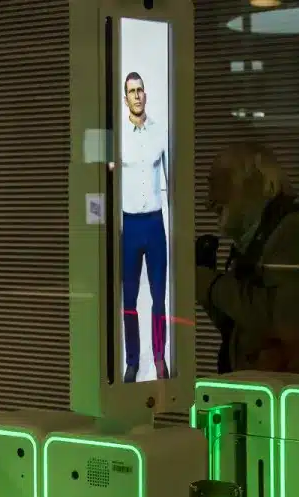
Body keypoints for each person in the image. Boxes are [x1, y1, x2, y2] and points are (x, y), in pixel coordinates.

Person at [197, 142, 299, 375]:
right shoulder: (260, 236)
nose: (208, 202)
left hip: (281, 393)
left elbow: (282, 320)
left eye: (218, 184)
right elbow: (242, 325)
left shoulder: (291, 231)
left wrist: (212, 285)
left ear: (254, 183)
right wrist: (206, 288)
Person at [119, 71, 170, 383]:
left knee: (158, 296)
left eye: (140, 90)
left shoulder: (160, 132)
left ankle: (160, 357)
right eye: (131, 91)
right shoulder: (117, 136)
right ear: (125, 99)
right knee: (129, 299)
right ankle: (133, 361)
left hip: (154, 224)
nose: (137, 95)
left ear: (145, 95)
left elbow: (172, 179)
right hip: (129, 224)